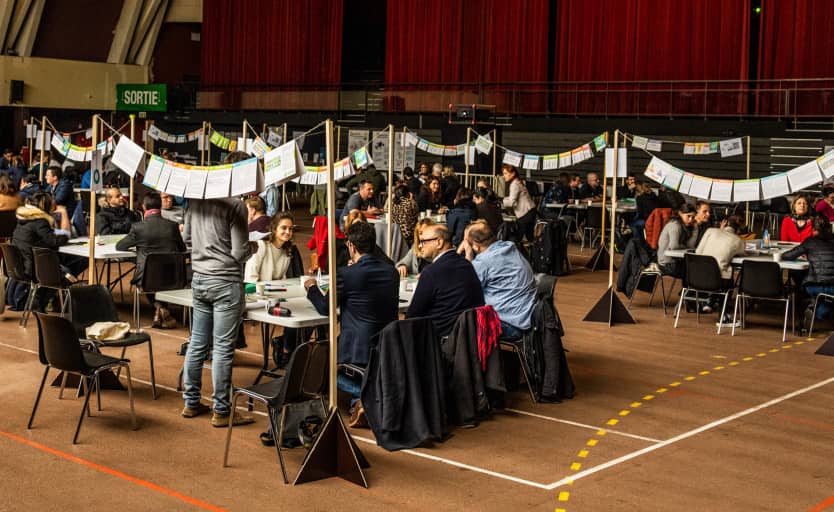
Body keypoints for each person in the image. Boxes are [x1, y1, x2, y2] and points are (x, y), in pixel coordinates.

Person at [182, 151, 253, 428]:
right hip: (226, 281)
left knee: (197, 342)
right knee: (223, 348)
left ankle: (191, 402)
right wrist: (252, 248)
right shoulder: (235, 205)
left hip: (199, 279)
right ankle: (222, 411)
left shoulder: (195, 198)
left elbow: (187, 239)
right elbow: (239, 251)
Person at [305, 221, 399, 426]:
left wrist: (312, 287)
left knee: (319, 368)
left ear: (351, 246)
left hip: (356, 345)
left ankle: (366, 397)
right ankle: (365, 397)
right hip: (385, 342)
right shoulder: (391, 272)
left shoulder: (347, 274)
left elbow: (324, 307)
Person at [116, 192, 187, 327]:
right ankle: (162, 309)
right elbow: (182, 248)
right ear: (160, 206)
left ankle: (160, 308)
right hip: (173, 276)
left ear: (144, 207)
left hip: (147, 278)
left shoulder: (138, 227)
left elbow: (120, 246)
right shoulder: (172, 226)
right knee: (159, 277)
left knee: (149, 278)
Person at [459, 220, 536, 338]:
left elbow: (463, 288)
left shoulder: (483, 262)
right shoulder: (509, 247)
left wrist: (467, 256)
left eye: (465, 241)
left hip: (510, 324)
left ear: (474, 245)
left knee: (457, 321)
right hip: (528, 317)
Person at [406, 224, 484, 337]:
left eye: (423, 241)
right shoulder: (467, 265)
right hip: (470, 336)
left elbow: (412, 316)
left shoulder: (431, 272)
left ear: (439, 242)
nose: (420, 246)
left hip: (439, 339)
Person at [9, 193, 73, 311]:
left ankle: (51, 300)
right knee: (69, 270)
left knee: (64, 265)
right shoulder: (40, 221)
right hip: (35, 268)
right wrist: (64, 214)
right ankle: (48, 301)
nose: (56, 206)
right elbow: (55, 241)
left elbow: (47, 237)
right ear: (46, 206)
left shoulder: (25, 219)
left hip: (23, 265)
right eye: (53, 204)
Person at [782, 216, 834, 327]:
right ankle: (818, 310)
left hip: (814, 287)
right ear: (830, 228)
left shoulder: (810, 242)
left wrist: (809, 255)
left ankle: (815, 309)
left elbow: (788, 256)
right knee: (827, 298)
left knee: (818, 294)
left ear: (813, 230)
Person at [695, 214, 747, 324]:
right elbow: (741, 253)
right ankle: (723, 316)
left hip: (697, 276)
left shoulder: (710, 231)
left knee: (720, 271)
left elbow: (698, 252)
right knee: (728, 275)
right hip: (718, 280)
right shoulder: (738, 241)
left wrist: (720, 231)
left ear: (725, 222)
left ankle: (710, 302)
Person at [244, 212, 303, 284]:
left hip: (276, 291)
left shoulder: (287, 249)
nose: (288, 232)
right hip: (257, 291)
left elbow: (282, 278)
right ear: (274, 229)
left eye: (290, 229)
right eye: (284, 228)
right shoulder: (261, 245)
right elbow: (250, 278)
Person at [656, 203, 698, 278]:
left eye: (693, 217)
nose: (691, 219)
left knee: (696, 268)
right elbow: (674, 247)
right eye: (688, 216)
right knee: (695, 272)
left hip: (675, 262)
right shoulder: (675, 225)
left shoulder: (684, 226)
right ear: (680, 213)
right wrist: (684, 246)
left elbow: (690, 246)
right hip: (666, 264)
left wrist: (695, 229)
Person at [501, 164, 536, 242]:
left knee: (516, 238)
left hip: (525, 213)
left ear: (513, 173)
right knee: (530, 237)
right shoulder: (518, 181)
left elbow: (511, 202)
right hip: (530, 211)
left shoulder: (514, 184)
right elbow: (513, 198)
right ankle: (534, 253)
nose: (504, 176)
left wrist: (501, 201)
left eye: (505, 173)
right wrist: (503, 199)